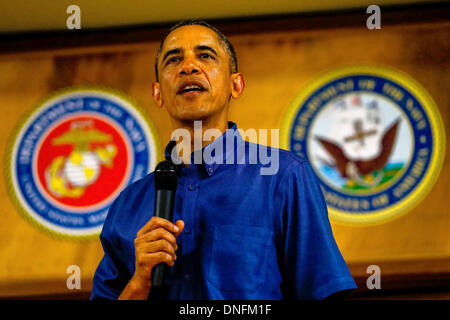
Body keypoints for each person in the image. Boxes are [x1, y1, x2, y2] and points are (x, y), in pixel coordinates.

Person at [90, 20, 357, 300]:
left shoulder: (284, 176)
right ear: (157, 93)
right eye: (174, 60)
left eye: (205, 56)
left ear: (236, 85)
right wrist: (139, 281)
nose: (189, 67)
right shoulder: (128, 203)